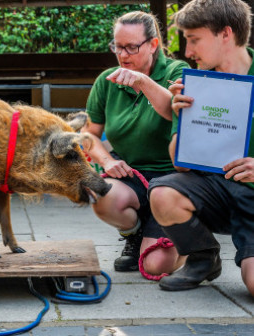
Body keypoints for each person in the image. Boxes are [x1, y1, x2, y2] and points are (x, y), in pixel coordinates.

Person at [149, 0, 254, 297]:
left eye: (194, 40)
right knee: (162, 193)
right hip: (217, 189)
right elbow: (180, 165)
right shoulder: (192, 84)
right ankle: (202, 258)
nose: (188, 52)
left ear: (225, 34)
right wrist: (184, 119)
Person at [81, 11, 189, 275]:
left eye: (131, 47)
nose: (123, 55)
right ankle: (136, 234)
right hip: (133, 175)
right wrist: (107, 160)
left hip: (173, 180)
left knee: (156, 268)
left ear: (153, 45)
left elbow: (174, 109)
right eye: (118, 47)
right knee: (100, 192)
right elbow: (88, 134)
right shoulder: (107, 80)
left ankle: (193, 242)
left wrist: (144, 82)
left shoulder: (179, 72)